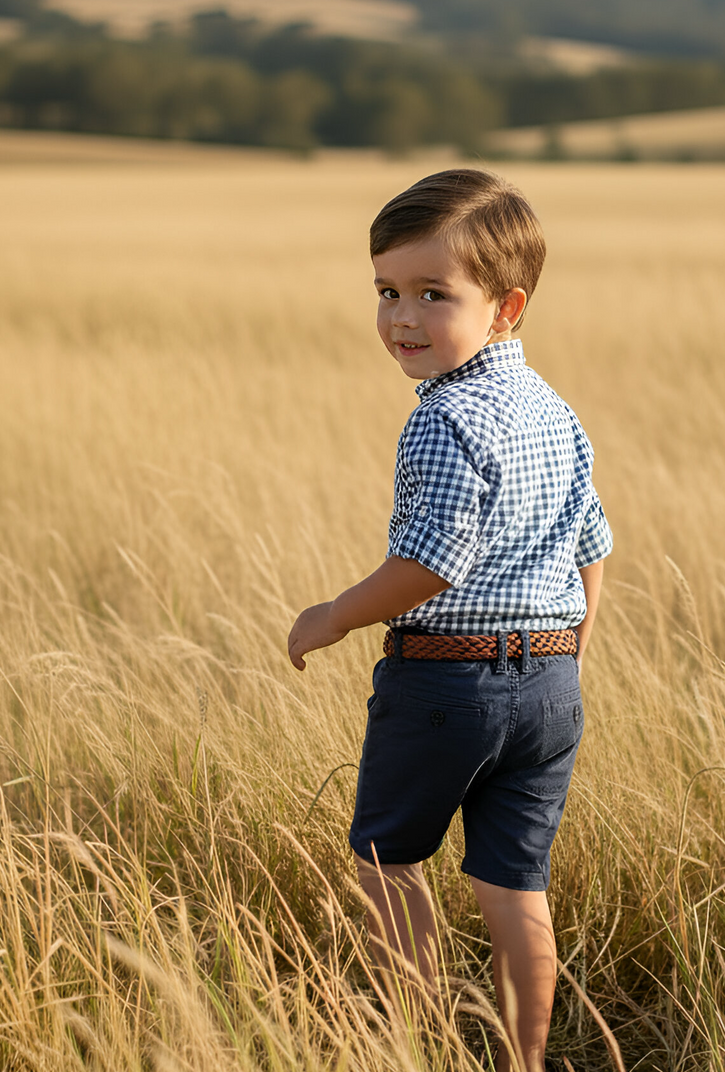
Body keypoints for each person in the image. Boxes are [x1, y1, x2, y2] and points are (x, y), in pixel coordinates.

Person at [287, 168, 612, 1072]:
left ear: (506, 308)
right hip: (550, 685)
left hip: (446, 681)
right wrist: (567, 640)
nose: (402, 317)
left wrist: (335, 615)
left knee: (390, 866)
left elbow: (430, 564)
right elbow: (593, 545)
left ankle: (413, 1045)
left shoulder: (445, 419)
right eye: (387, 290)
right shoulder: (555, 410)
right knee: (515, 886)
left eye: (434, 295)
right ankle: (524, 1061)